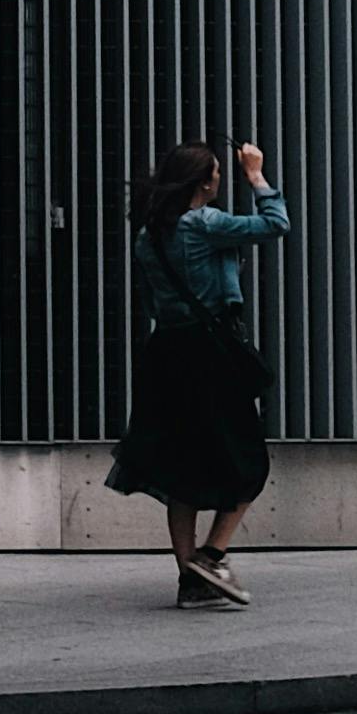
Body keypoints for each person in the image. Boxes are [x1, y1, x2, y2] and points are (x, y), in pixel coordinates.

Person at [108, 137, 285, 604]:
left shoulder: (148, 236)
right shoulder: (203, 223)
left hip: (166, 353)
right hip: (210, 352)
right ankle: (211, 557)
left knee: (180, 470)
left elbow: (150, 303)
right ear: (204, 181)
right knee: (249, 461)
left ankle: (191, 583)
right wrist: (256, 175)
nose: (222, 178)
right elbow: (276, 223)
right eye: (220, 172)